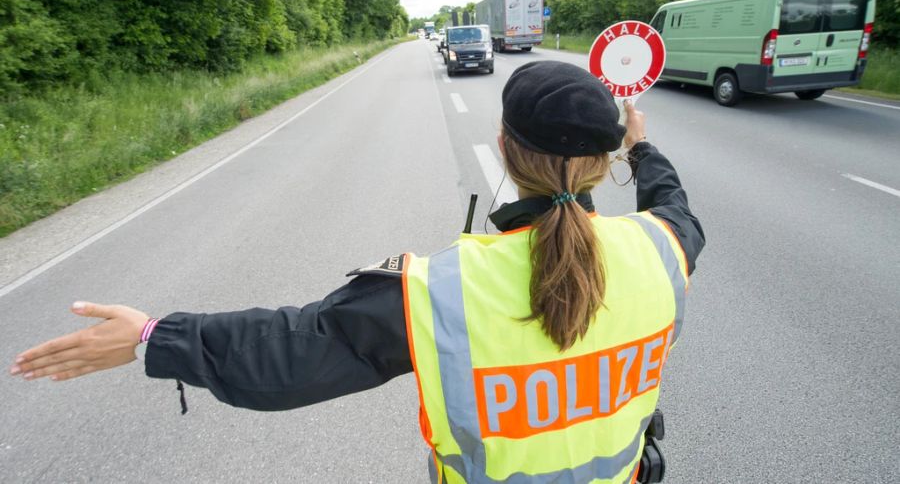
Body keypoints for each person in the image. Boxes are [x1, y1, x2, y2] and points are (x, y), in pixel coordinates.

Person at [9, 61, 704, 483]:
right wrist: (643, 150)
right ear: (603, 162)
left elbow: (287, 354)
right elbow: (674, 207)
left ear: (504, 149)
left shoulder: (439, 293)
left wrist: (151, 334)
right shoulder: (662, 251)